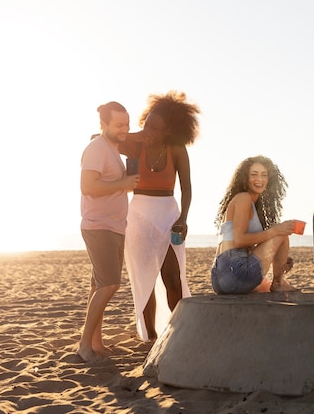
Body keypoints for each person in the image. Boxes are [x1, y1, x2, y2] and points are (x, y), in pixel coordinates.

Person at [119, 91, 200, 342]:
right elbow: (100, 138)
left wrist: (183, 218)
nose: (148, 129)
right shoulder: (134, 145)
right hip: (138, 214)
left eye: (155, 126)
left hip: (168, 214)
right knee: (144, 280)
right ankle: (152, 337)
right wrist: (137, 135)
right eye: (146, 123)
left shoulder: (176, 149)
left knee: (173, 277)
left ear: (168, 131)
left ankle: (178, 333)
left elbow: (186, 187)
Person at [78, 101, 140, 362]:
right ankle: (83, 346)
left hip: (115, 226)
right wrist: (123, 182)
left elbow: (111, 184)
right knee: (110, 284)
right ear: (103, 125)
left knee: (98, 285)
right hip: (99, 225)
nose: (125, 129)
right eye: (119, 125)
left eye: (127, 124)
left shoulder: (113, 149)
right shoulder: (96, 149)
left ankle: (96, 343)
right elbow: (88, 187)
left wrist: (124, 181)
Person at [211, 155, 299, 294]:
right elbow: (239, 240)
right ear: (244, 178)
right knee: (282, 233)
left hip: (219, 278)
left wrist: (279, 259)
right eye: (254, 174)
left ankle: (277, 280)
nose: (260, 179)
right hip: (234, 272)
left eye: (264, 175)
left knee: (264, 287)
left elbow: (243, 245)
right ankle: (279, 283)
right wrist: (276, 231)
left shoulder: (253, 204)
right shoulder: (243, 198)